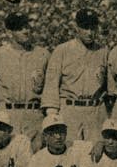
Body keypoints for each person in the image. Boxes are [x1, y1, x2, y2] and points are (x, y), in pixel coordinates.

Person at [0, 12, 52, 147]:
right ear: (9, 32)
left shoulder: (43, 54)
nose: (25, 31)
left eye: (27, 27)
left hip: (34, 114)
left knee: (35, 159)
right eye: (19, 28)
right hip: (7, 114)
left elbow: (49, 89)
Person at [44, 9, 110, 142]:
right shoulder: (62, 50)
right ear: (76, 27)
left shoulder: (103, 51)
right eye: (85, 28)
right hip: (70, 109)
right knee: (69, 154)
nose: (89, 32)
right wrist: (52, 114)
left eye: (93, 28)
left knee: (95, 154)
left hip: (95, 110)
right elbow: (51, 84)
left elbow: (109, 85)